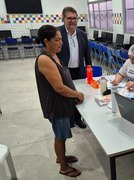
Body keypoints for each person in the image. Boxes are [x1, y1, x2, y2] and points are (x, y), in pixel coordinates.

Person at [35, 25, 84, 177]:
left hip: (62, 104)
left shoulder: (54, 55)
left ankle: (61, 157)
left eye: (61, 39)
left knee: (61, 135)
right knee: (60, 136)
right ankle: (63, 166)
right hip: (56, 106)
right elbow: (59, 88)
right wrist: (77, 94)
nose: (61, 43)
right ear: (46, 41)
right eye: (57, 40)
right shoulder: (45, 59)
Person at [57, 6, 92, 129]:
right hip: (64, 71)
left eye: (74, 18)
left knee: (78, 95)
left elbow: (87, 54)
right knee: (66, 95)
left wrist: (89, 69)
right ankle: (69, 119)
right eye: (69, 18)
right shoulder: (58, 33)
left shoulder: (82, 34)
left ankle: (78, 118)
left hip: (79, 70)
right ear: (63, 19)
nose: (72, 21)